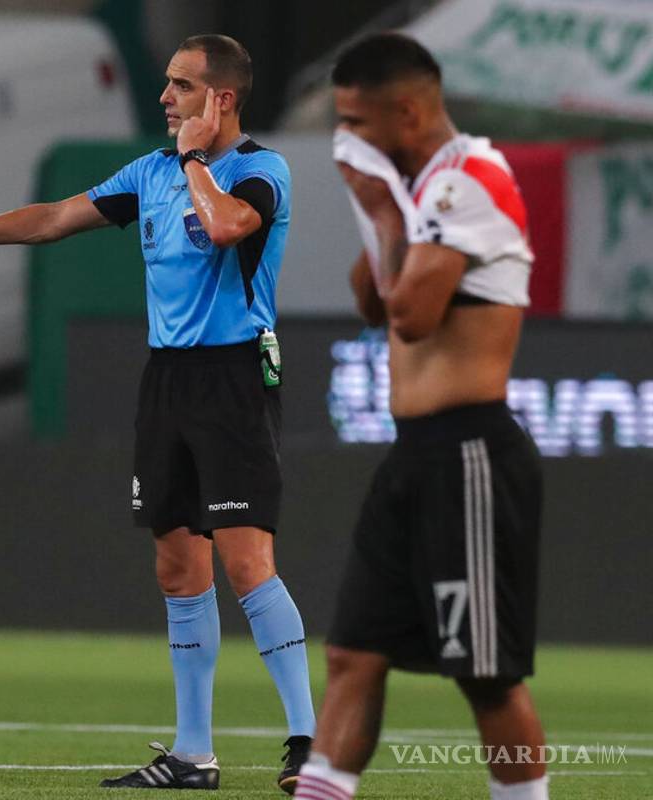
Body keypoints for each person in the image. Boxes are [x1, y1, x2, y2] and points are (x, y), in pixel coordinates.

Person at [0, 34, 315, 795]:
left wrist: (193, 158)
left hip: (234, 378)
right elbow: (53, 219)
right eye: (169, 85)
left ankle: (309, 742)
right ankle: (192, 754)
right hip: (168, 382)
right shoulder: (149, 172)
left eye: (181, 86)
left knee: (247, 565)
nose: (164, 98)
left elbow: (224, 228)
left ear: (222, 99)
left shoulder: (259, 171)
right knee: (179, 567)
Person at [294, 33, 547, 800]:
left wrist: (377, 205)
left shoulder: (471, 178)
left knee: (485, 677)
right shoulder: (418, 187)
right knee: (353, 654)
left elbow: (411, 313)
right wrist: (379, 214)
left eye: (357, 123)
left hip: (471, 451)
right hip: (413, 454)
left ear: (407, 111)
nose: (348, 142)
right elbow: (370, 300)